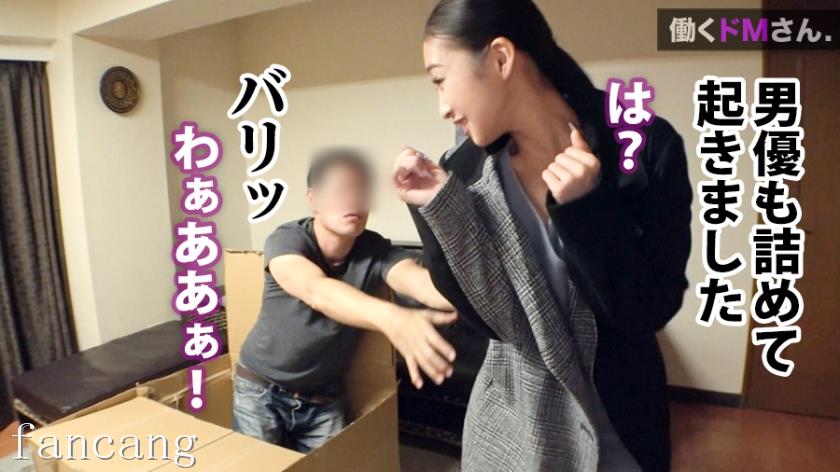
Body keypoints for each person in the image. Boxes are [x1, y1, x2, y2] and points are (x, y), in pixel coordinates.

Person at [392, 0, 693, 470]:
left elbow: (649, 308)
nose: (443, 107)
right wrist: (435, 208)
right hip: (517, 424)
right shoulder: (461, 173)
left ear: (500, 58)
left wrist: (587, 211)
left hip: (622, 422)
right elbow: (491, 320)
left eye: (440, 79)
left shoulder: (645, 147)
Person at [234, 147, 458, 453]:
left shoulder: (375, 249)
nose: (354, 199)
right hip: (260, 387)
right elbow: (315, 290)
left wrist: (435, 203)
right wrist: (392, 317)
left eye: (362, 190)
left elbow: (423, 284)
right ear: (313, 198)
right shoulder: (287, 239)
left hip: (324, 397)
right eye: (341, 189)